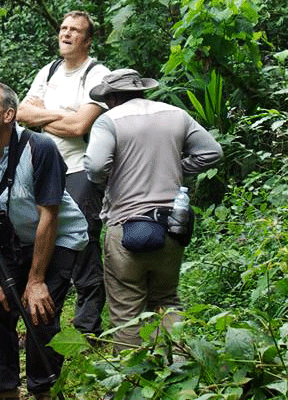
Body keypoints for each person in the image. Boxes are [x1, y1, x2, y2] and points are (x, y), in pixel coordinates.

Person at [0, 81, 88, 400]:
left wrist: (35, 281)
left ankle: (43, 389)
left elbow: (50, 216)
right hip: (12, 240)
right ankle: (6, 392)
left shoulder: (40, 148)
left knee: (39, 311)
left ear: (8, 115)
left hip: (58, 239)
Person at [84, 69, 223, 349]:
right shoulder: (176, 115)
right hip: (172, 226)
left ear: (111, 97)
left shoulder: (108, 120)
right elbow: (213, 153)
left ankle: (131, 383)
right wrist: (178, 168)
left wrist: (111, 176)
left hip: (126, 229)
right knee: (168, 300)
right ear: (141, 90)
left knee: (126, 312)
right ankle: (182, 374)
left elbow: (96, 166)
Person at [16, 10, 110, 336]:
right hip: (45, 169)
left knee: (82, 246)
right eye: (63, 28)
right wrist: (60, 116)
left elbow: (79, 126)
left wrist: (43, 115)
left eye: (75, 30)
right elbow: (22, 113)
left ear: (87, 39)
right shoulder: (49, 70)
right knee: (44, 242)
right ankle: (45, 324)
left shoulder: (98, 75)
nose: (66, 34)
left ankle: (87, 328)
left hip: (81, 167)